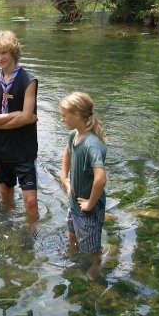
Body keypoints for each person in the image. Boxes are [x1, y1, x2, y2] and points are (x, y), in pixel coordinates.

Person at [0, 31, 39, 219]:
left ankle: (31, 234)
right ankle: (6, 229)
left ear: (13, 52)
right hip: (1, 149)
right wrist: (15, 114)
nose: (0, 58)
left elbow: (26, 118)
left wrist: (1, 121)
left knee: (30, 201)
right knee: (5, 195)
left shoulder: (28, 81)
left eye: (3, 53)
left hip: (24, 149)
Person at [59, 91, 107, 279]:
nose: (62, 119)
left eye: (64, 115)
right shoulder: (74, 135)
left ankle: (94, 268)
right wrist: (65, 178)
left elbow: (101, 178)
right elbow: (67, 154)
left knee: (91, 250)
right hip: (74, 204)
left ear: (77, 114)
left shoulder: (91, 144)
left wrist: (90, 203)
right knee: (72, 234)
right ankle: (73, 251)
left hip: (88, 211)